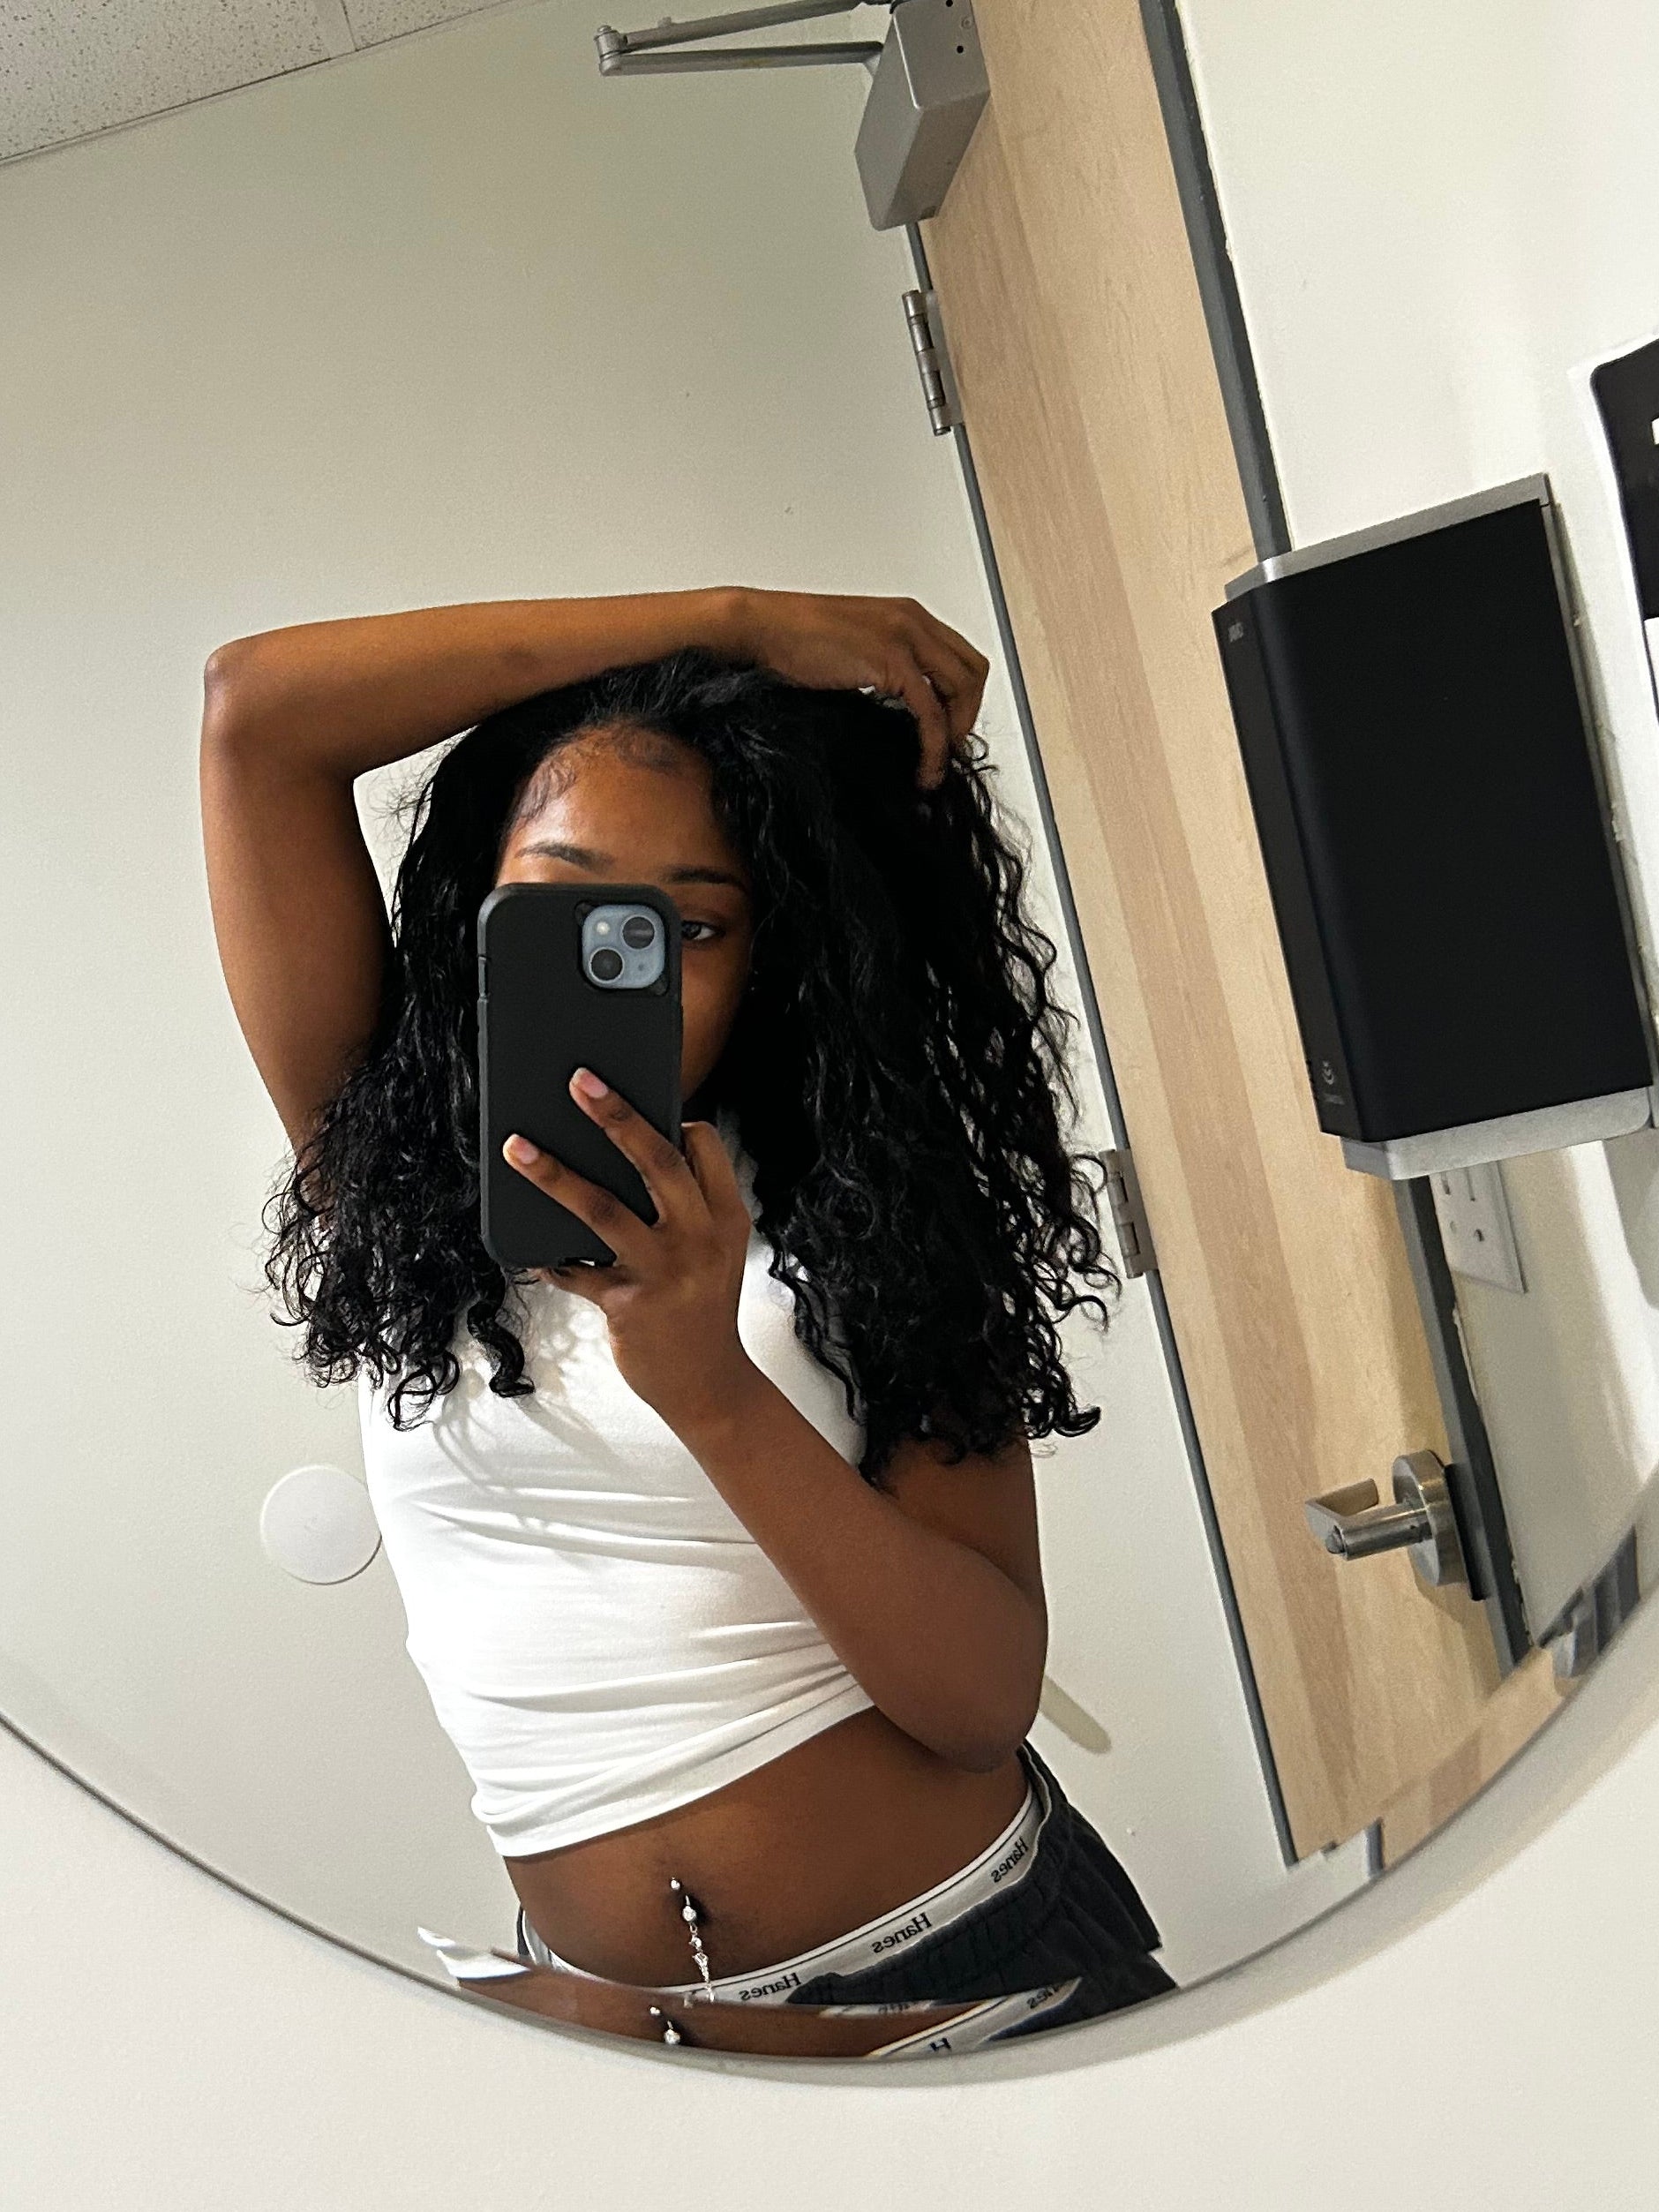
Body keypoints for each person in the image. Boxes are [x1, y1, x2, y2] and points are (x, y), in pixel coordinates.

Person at [199, 584, 1176, 2037]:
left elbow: (981, 1701)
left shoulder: (871, 1209)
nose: (625, 969)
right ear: (476, 909)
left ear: (768, 955)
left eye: (695, 926)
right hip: (627, 2048)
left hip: (971, 1978)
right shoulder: (389, 1177)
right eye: (564, 902)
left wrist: (709, 1387)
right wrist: (734, 619)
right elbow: (257, 718)